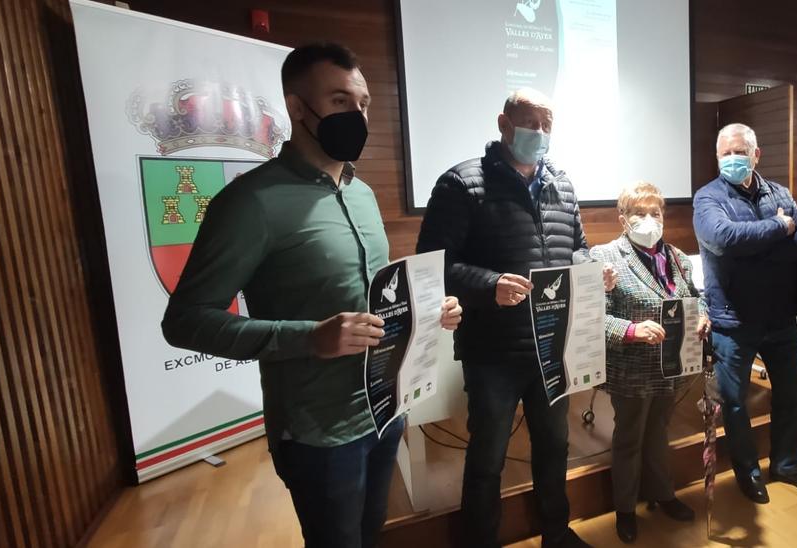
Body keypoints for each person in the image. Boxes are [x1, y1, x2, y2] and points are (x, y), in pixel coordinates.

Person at [161, 42, 463, 548]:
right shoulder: (249, 203)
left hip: (386, 410)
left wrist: (426, 313)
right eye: (341, 101)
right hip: (319, 434)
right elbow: (185, 321)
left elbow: (372, 303)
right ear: (297, 108)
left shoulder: (363, 195)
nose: (358, 115)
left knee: (371, 534)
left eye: (363, 103)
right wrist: (310, 339)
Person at [415, 88, 614, 548]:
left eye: (548, 124)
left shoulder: (561, 183)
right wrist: (490, 284)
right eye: (531, 123)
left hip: (552, 346)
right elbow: (433, 264)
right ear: (503, 124)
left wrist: (590, 266)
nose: (540, 133)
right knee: (488, 457)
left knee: (554, 447)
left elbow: (577, 246)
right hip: (493, 352)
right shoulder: (461, 183)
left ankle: (556, 533)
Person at [693, 123, 797, 504]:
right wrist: (779, 226)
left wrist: (760, 247)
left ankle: (786, 465)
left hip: (781, 319)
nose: (733, 158)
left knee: (793, 396)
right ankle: (748, 473)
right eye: (725, 153)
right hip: (733, 323)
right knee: (735, 405)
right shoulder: (707, 198)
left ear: (757, 155)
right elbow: (724, 238)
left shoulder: (780, 193)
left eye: (740, 151)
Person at [591, 182, 709, 544]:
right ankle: (625, 510)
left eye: (655, 213)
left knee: (659, 432)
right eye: (639, 213)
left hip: (673, 365)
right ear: (623, 219)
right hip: (631, 368)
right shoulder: (604, 257)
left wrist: (703, 316)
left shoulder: (677, 257)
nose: (649, 220)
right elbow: (593, 315)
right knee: (629, 438)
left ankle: (662, 493)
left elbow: (695, 298)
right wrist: (631, 330)